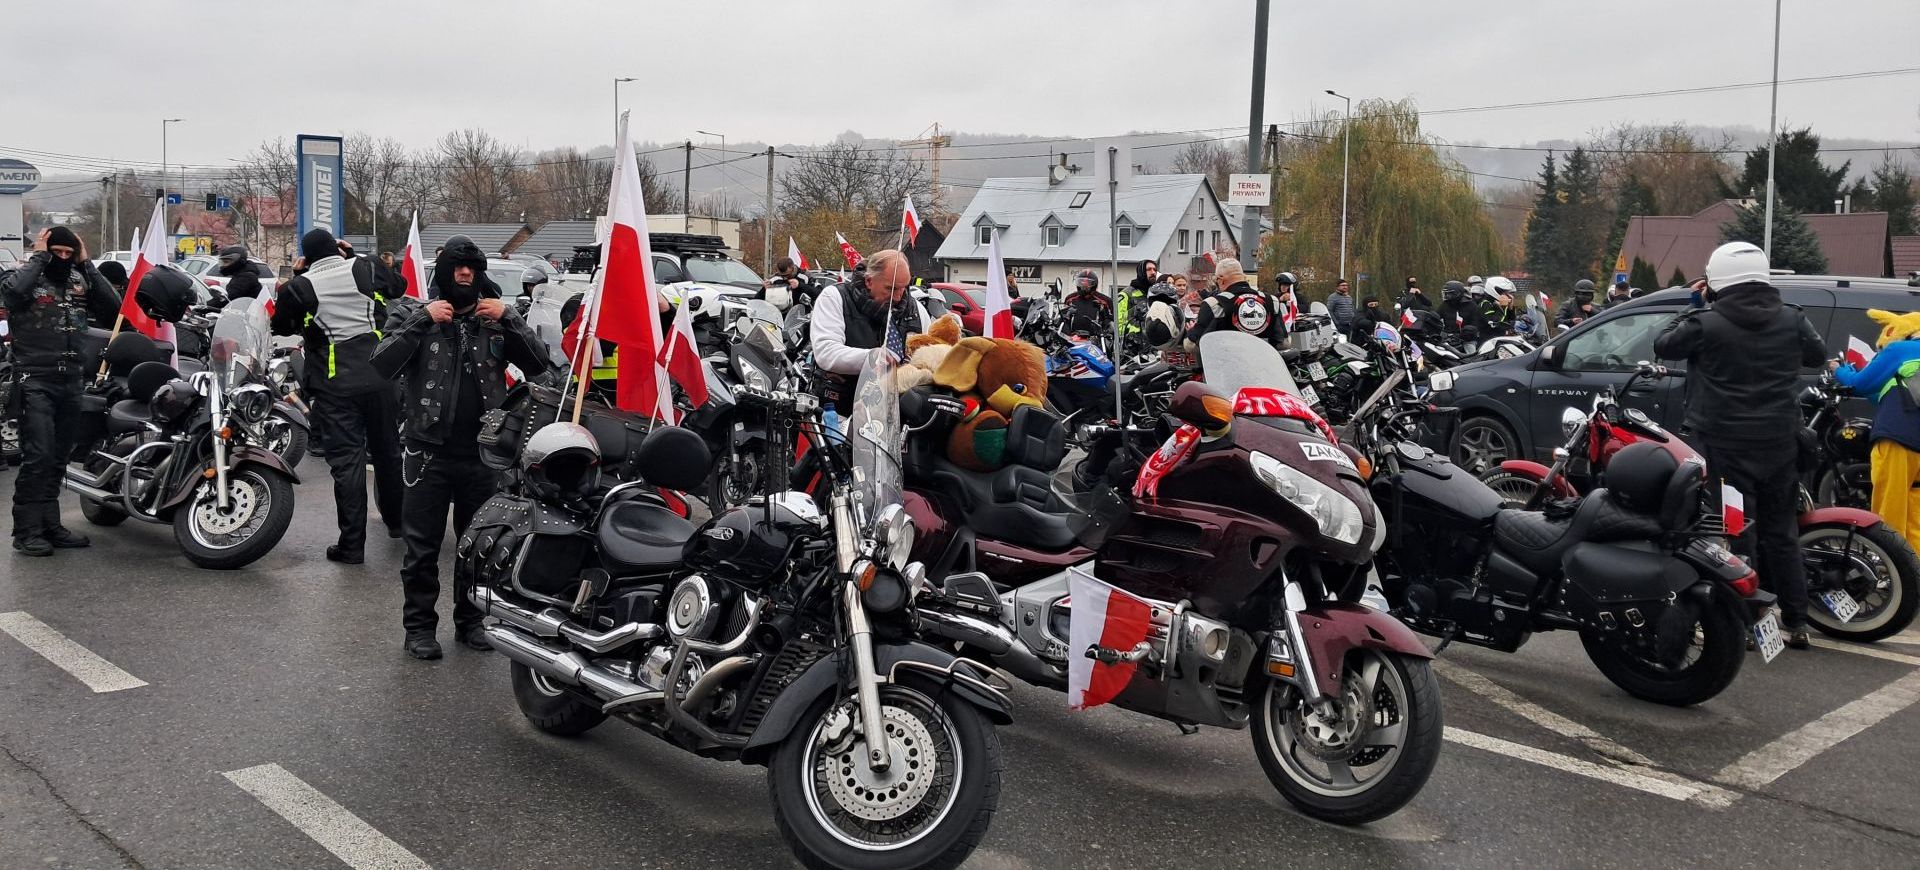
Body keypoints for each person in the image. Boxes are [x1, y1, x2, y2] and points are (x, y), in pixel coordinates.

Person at [371, 241, 550, 660]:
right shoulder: (414, 313)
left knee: (478, 547)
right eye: (458, 266)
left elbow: (540, 365)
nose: (465, 273)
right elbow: (381, 363)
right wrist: (421, 320)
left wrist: (511, 320)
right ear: (445, 272)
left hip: (483, 455)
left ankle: (470, 622)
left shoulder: (496, 319)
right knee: (421, 549)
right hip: (426, 453)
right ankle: (418, 629)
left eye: (472, 267)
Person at [1655, 241, 1826, 649]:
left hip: (1724, 445)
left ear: (1716, 281)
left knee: (1736, 530)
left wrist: (1695, 303)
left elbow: (1663, 343)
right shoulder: (1792, 319)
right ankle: (1798, 621)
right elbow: (1818, 356)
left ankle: (1749, 620)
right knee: (1781, 531)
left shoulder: (1705, 323)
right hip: (1781, 442)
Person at [270, 228, 405, 564]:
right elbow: (398, 288)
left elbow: (282, 326)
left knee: (348, 464)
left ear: (306, 257)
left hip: (335, 387)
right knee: (388, 454)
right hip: (380, 376)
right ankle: (397, 523)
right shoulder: (367, 266)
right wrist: (352, 255)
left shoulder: (299, 286)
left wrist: (300, 275)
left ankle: (352, 546)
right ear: (338, 248)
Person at [3, 228, 120, 556]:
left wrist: (87, 263)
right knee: (37, 455)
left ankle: (49, 525)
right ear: (45, 248)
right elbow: (11, 296)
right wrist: (40, 256)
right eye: (58, 251)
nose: (63, 258)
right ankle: (26, 531)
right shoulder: (21, 275)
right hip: (33, 378)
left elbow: (114, 308)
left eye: (69, 252)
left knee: (59, 455)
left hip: (70, 379)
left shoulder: (78, 279)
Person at [1834, 310, 1920, 553]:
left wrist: (1839, 371)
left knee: (1889, 509)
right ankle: (1914, 566)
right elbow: (1888, 392)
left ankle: (1890, 567)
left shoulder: (1899, 351)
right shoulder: (1909, 367)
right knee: (1915, 510)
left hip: (1898, 439)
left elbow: (1860, 383)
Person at [809, 249, 929, 414]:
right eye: (891, 288)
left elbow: (928, 358)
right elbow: (826, 353)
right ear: (869, 281)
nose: (899, 297)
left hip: (895, 417)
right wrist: (875, 358)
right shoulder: (834, 297)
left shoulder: (917, 310)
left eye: (904, 288)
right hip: (839, 411)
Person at [1187, 257, 1285, 350]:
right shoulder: (1272, 301)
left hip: (1226, 364)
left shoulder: (1214, 304)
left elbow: (1193, 344)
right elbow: (1284, 342)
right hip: (1264, 363)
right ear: (1243, 277)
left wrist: (1191, 331)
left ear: (1221, 280)